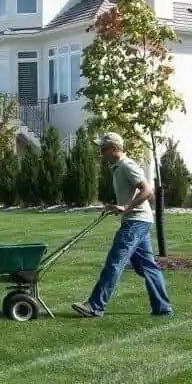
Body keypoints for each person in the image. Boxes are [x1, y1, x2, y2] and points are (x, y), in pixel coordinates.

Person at [72, 132, 173, 318]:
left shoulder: (127, 165)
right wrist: (117, 206)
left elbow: (147, 190)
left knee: (115, 262)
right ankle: (163, 308)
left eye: (103, 149)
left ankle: (95, 306)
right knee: (147, 267)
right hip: (138, 220)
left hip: (136, 222)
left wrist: (126, 207)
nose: (101, 153)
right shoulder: (117, 167)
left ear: (114, 148)